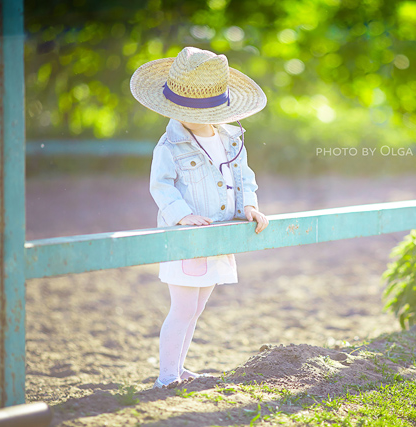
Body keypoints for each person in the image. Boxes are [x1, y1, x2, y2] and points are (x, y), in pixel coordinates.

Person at [130, 46, 269, 389]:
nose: (193, 115)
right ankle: (166, 376)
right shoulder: (170, 145)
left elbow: (244, 178)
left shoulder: (231, 138)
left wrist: (249, 205)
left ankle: (179, 366)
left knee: (195, 308)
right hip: (187, 239)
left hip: (217, 236)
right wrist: (182, 216)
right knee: (181, 307)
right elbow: (160, 187)